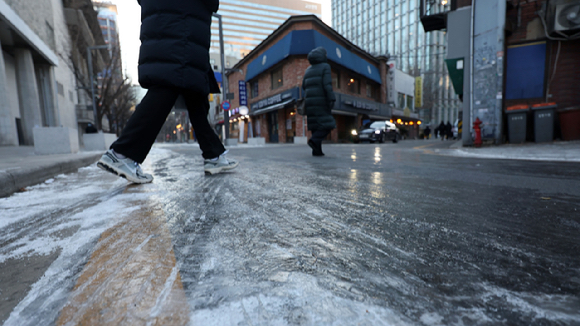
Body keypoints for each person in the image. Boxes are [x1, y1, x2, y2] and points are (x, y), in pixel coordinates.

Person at [96, 0, 237, 183]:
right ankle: (122, 153)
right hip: (180, 19)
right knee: (169, 82)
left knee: (195, 91)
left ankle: (214, 155)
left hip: (181, 19)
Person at [302, 47, 336, 156]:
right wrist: (331, 98)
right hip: (321, 101)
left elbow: (303, 86)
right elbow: (327, 84)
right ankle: (314, 141)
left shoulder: (308, 70)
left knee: (315, 125)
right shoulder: (325, 67)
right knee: (328, 125)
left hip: (309, 102)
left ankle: (317, 151)